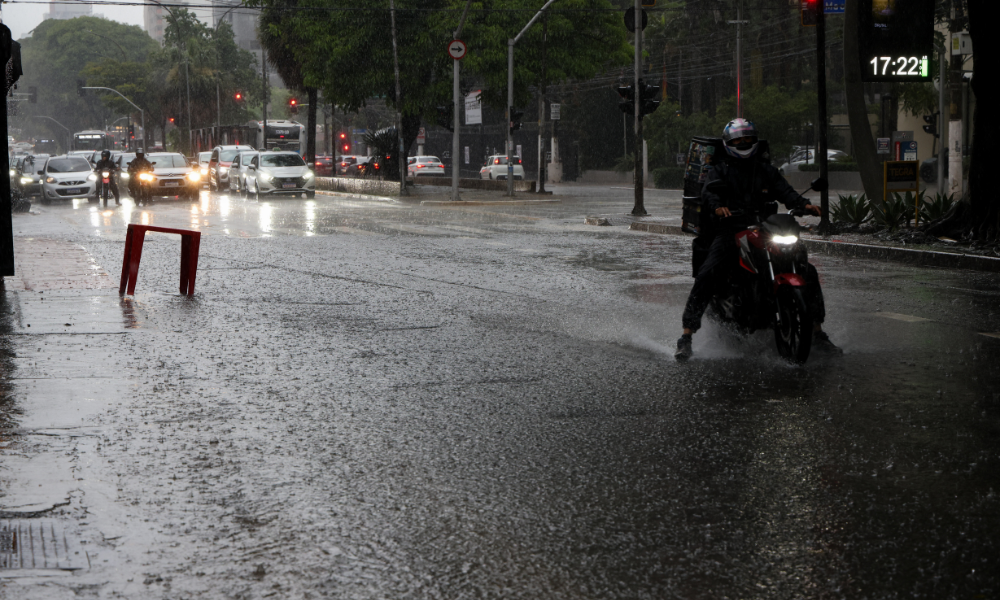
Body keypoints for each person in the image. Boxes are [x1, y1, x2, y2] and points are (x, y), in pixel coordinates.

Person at [675, 119, 840, 360]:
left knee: (809, 271)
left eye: (747, 139)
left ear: (755, 141)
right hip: (731, 229)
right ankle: (686, 335)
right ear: (728, 144)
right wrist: (718, 207)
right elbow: (709, 192)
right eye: (737, 140)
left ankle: (817, 332)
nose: (743, 143)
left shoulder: (766, 170)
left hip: (767, 228)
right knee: (708, 273)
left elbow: (785, 191)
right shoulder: (719, 170)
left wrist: (803, 204)